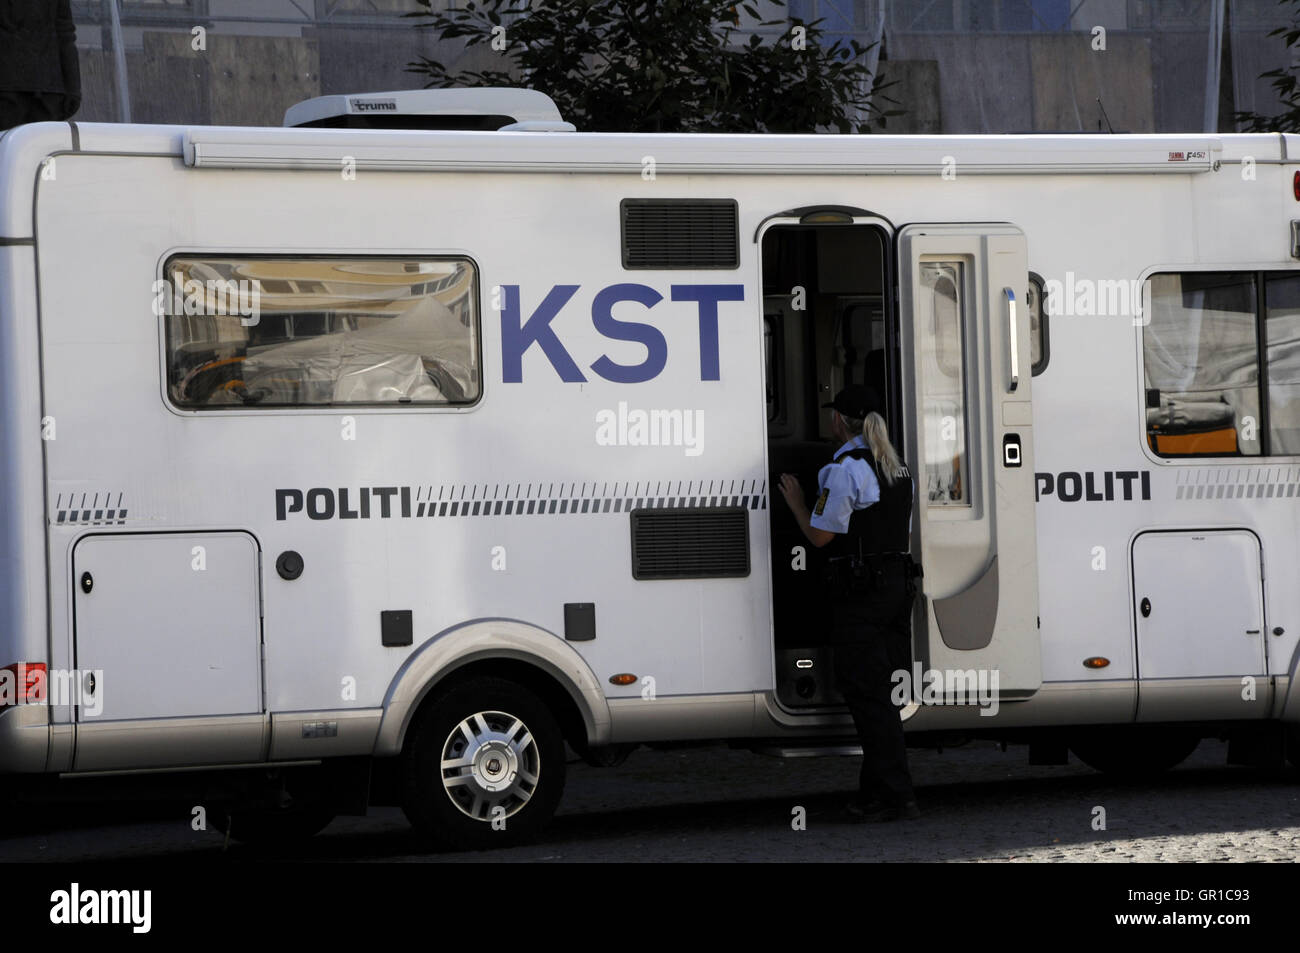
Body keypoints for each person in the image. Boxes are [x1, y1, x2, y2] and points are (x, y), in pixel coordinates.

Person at [777, 384, 921, 822]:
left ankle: (895, 796)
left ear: (839, 421)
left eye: (832, 415)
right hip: (896, 588)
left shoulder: (842, 471)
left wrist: (798, 505)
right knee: (879, 698)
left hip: (862, 595)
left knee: (868, 696)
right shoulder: (897, 467)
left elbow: (821, 536)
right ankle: (878, 791)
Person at [0, 0, 81, 132]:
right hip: (44, 89)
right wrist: (73, 88)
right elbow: (65, 32)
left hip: (30, 89)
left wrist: (73, 88)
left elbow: (65, 32)